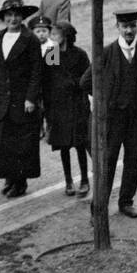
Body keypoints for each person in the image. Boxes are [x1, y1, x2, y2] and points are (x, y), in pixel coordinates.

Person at [82, 10, 137, 218]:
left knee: (133, 162)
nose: (129, 30)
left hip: (135, 121)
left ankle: (126, 202)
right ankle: (98, 210)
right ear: (117, 27)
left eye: (132, 26)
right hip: (112, 121)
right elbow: (85, 82)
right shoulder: (106, 53)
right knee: (106, 165)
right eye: (124, 26)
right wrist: (104, 101)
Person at [0, 0, 44, 198]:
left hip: (21, 99)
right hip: (1, 99)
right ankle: (9, 177)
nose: (13, 19)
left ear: (23, 17)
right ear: (4, 18)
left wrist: (31, 98)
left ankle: (20, 182)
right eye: (9, 15)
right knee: (2, 142)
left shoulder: (31, 39)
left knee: (20, 143)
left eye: (17, 15)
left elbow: (37, 71)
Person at [43, 21, 91, 197]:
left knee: (80, 144)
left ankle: (85, 179)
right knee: (63, 145)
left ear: (66, 36)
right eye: (52, 34)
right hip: (58, 107)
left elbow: (88, 78)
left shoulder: (79, 54)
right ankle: (68, 180)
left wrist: (74, 84)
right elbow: (47, 79)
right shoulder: (52, 53)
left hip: (76, 105)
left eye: (55, 34)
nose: (52, 38)